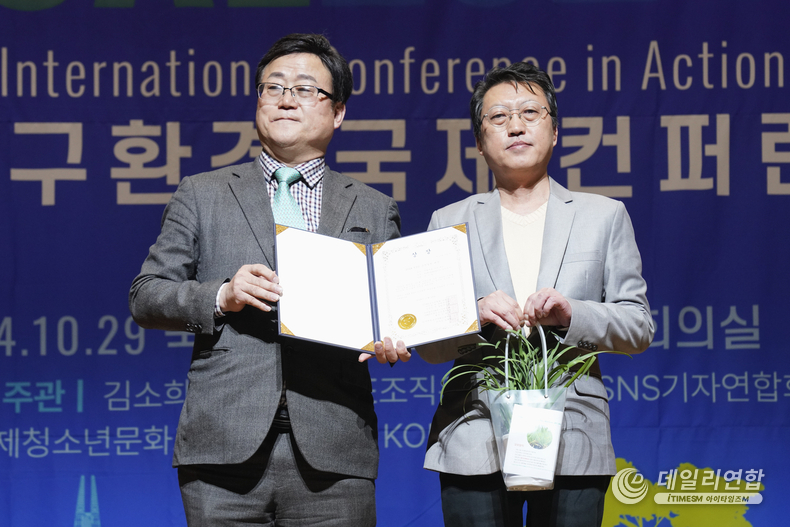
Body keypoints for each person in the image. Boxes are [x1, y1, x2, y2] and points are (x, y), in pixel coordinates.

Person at [129, 33, 410, 526]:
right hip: (223, 448)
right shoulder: (202, 193)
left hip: (334, 450)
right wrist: (222, 295)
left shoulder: (372, 207)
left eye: (304, 89)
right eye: (272, 87)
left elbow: (393, 312)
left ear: (337, 112)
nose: (285, 99)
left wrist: (395, 335)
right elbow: (146, 296)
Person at [412, 62, 654, 526]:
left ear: (555, 130)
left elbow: (638, 327)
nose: (516, 126)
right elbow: (429, 346)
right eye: (499, 117)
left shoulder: (603, 216)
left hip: (574, 432)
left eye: (530, 112)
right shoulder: (449, 221)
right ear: (479, 140)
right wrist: (474, 314)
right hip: (474, 430)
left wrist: (572, 314)